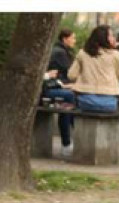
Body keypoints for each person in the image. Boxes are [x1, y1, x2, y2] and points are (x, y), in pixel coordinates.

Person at [68, 25, 119, 113]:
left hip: (85, 101)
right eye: (111, 35)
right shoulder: (115, 55)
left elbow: (71, 76)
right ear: (104, 38)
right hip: (109, 103)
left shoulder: (82, 53)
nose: (113, 38)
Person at [45, 29, 77, 157]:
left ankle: (68, 142)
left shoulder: (62, 51)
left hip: (55, 85)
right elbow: (69, 73)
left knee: (69, 103)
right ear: (65, 39)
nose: (75, 40)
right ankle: (67, 142)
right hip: (50, 88)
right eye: (73, 38)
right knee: (70, 99)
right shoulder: (60, 53)